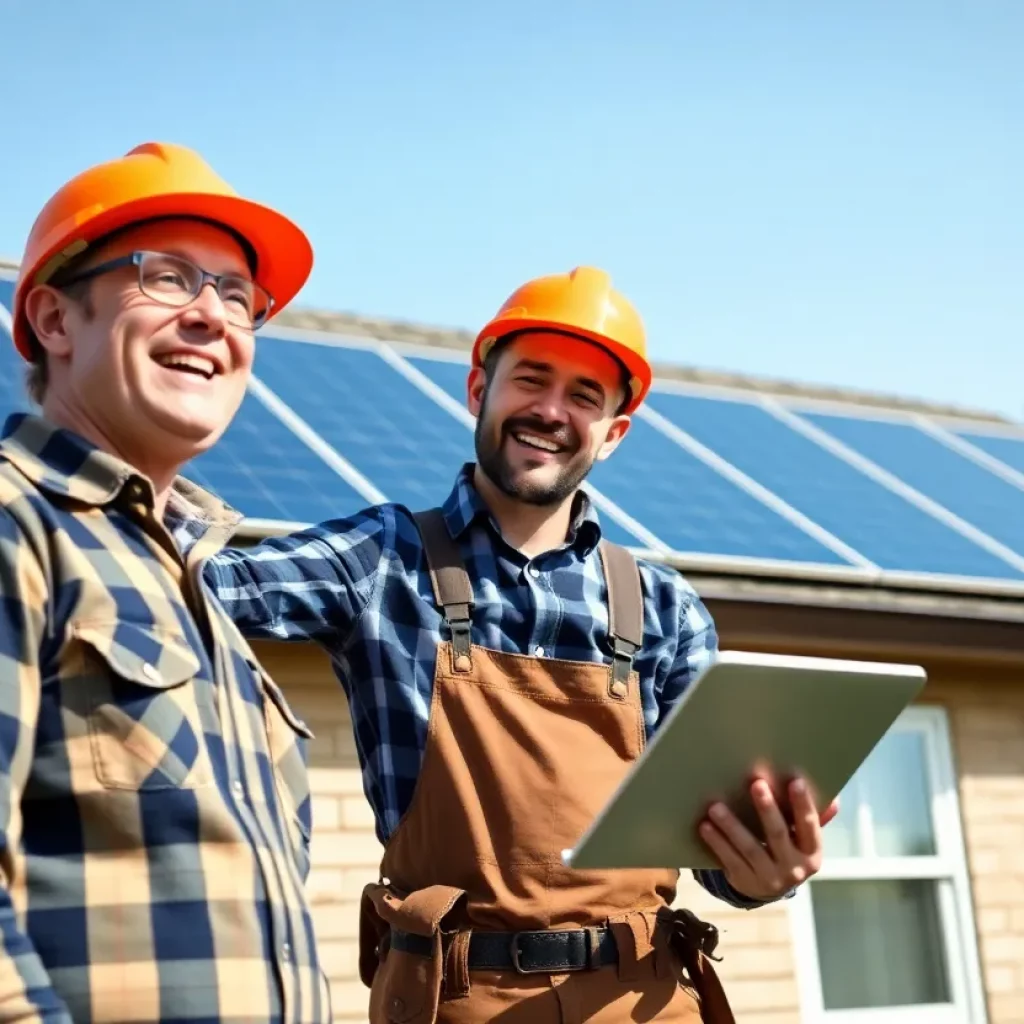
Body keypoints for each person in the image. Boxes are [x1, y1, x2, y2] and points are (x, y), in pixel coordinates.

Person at [205, 267, 835, 1023]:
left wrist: (764, 871)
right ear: (479, 389)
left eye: (584, 396)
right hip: (455, 998)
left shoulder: (665, 609)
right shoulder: (382, 561)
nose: (550, 411)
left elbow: (714, 855)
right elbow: (193, 587)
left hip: (647, 1000)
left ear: (613, 434)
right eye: (530, 379)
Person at [0, 142, 330, 1023]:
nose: (212, 315)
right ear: (56, 319)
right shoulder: (17, 522)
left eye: (237, 295)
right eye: (168, 277)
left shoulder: (194, 585)